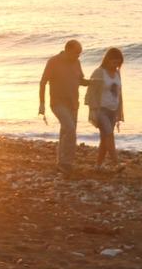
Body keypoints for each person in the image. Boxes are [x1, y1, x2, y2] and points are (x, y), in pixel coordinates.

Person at [38, 39, 89, 177]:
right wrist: (42, 104)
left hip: (73, 104)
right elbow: (43, 82)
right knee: (70, 130)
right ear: (68, 50)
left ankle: (62, 163)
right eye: (76, 53)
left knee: (65, 131)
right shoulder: (53, 62)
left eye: (80, 54)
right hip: (57, 103)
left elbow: (80, 81)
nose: (78, 56)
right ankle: (66, 163)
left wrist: (93, 82)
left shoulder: (76, 63)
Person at [85, 47, 125, 172]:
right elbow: (90, 91)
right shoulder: (99, 72)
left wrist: (120, 111)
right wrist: (93, 109)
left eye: (118, 63)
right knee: (109, 134)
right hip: (101, 109)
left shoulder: (118, 73)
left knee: (104, 139)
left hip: (113, 109)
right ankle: (116, 163)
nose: (116, 65)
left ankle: (98, 165)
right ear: (107, 60)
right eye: (114, 62)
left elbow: (119, 93)